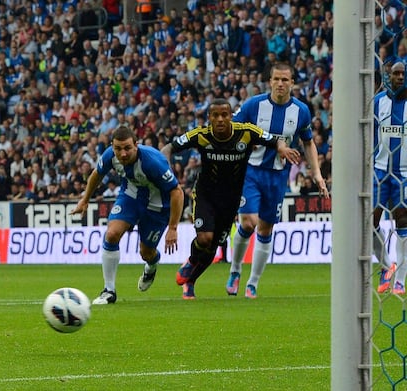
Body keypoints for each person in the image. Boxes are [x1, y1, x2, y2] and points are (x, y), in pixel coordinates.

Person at [162, 99, 298, 300]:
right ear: (209, 118)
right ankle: (190, 261)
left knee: (213, 246)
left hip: (231, 200)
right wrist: (166, 168)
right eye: (215, 115)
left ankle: (190, 282)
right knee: (204, 238)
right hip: (205, 195)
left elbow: (274, 140)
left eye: (224, 115)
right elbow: (168, 148)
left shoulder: (247, 132)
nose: (220, 119)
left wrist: (281, 148)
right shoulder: (201, 135)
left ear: (230, 116)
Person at [226, 62, 329, 299]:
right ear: (269, 81)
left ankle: (252, 283)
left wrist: (317, 174)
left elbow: (308, 142)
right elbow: (233, 130)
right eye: (276, 79)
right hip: (251, 171)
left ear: (292, 83)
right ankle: (235, 269)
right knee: (249, 222)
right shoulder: (254, 105)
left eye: (285, 80)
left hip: (278, 176)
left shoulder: (301, 111)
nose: (280, 84)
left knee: (266, 227)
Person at [72, 125, 184, 305]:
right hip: (130, 197)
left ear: (136, 146)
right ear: (112, 146)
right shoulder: (110, 155)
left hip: (157, 206)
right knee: (112, 234)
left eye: (127, 148)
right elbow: (96, 174)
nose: (122, 153)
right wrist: (85, 199)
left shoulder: (153, 161)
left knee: (146, 252)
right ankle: (109, 290)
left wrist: (173, 228)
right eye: (118, 148)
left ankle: (152, 265)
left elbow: (177, 192)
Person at [373, 61, 407, 294]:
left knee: (403, 221)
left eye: (403, 74)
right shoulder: (377, 102)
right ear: (389, 76)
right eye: (396, 73)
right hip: (379, 170)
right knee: (370, 221)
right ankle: (387, 266)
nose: (400, 77)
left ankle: (400, 280)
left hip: (404, 172)